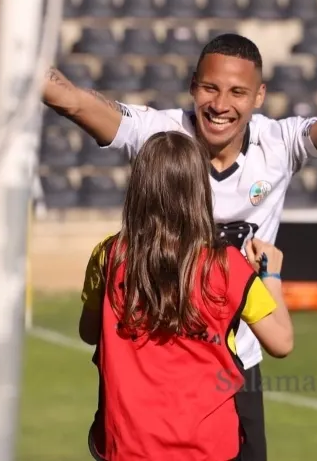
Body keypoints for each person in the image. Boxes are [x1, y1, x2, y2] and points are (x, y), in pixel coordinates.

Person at [0, 0, 317, 460]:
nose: (220, 104)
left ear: (259, 96)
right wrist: (8, 45)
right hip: (153, 361)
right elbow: (75, 102)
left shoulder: (280, 143)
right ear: (193, 85)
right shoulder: (158, 134)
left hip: (234, 361)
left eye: (237, 92)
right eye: (210, 88)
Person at [78, 131, 293, 461]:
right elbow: (282, 342)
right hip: (208, 447)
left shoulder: (109, 256)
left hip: (127, 445)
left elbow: (88, 332)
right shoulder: (227, 267)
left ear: (139, 189)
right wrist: (271, 276)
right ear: (199, 191)